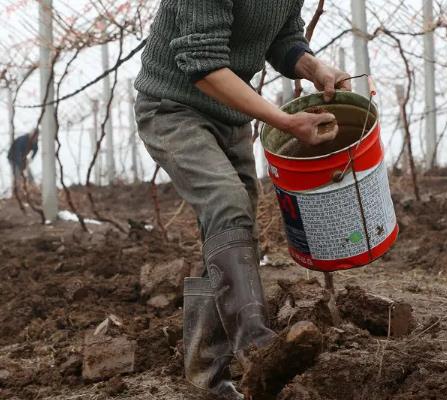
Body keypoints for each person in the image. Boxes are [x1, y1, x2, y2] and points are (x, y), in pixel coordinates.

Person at [134, 1, 351, 398]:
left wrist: (314, 67)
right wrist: (284, 121)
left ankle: (205, 378)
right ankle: (256, 347)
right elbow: (202, 65)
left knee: (232, 227)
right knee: (227, 202)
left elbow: (283, 37)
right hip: (172, 107)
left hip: (230, 114)